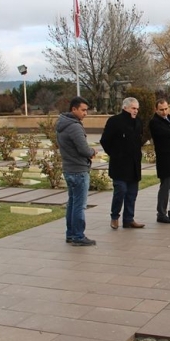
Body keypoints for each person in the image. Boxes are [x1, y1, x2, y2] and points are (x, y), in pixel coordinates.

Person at [56, 96, 98, 246]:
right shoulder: (74, 126)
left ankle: (71, 234)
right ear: (74, 109)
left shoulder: (63, 123)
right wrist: (92, 151)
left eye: (87, 110)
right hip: (78, 170)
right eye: (83, 110)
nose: (85, 113)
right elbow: (83, 148)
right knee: (79, 205)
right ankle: (78, 236)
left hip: (69, 169)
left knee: (73, 203)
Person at [100, 97, 145, 230]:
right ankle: (115, 217)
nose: (135, 111)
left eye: (137, 108)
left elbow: (139, 139)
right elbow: (105, 140)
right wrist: (115, 154)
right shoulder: (114, 121)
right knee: (121, 191)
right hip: (119, 164)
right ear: (125, 107)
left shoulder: (138, 122)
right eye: (133, 108)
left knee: (132, 193)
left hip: (134, 164)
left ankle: (129, 219)